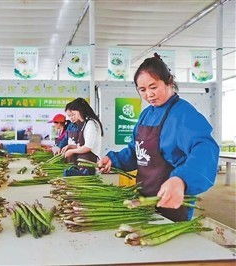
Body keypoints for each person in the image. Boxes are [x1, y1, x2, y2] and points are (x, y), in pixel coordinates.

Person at [98, 53, 219, 222]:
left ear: (169, 82)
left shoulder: (183, 114)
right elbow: (136, 151)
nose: (149, 95)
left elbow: (205, 149)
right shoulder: (146, 114)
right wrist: (113, 160)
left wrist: (181, 179)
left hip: (172, 204)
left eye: (153, 87)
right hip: (144, 200)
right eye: (142, 90)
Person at [61, 98, 103, 176]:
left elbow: (87, 147)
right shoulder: (86, 124)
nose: (73, 117)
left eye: (74, 114)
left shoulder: (91, 124)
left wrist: (71, 151)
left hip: (89, 162)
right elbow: (82, 145)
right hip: (84, 162)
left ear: (80, 110)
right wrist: (70, 146)